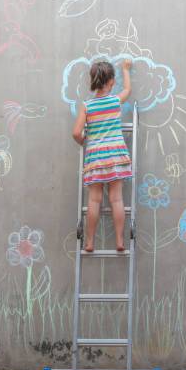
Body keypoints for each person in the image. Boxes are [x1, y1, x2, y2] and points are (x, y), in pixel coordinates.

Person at [72, 59, 132, 252]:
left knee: (94, 200)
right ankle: (120, 241)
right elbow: (128, 90)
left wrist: (84, 141)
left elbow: (76, 132)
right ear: (112, 81)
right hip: (115, 155)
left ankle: (89, 242)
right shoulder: (115, 101)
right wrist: (125, 69)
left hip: (96, 157)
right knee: (116, 199)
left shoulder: (87, 106)